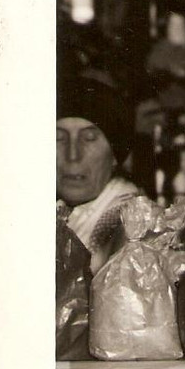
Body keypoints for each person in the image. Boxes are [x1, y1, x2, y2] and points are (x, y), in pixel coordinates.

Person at [56, 76, 143, 273]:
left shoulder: (134, 221)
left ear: (114, 155)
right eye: (58, 138)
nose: (73, 155)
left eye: (89, 138)